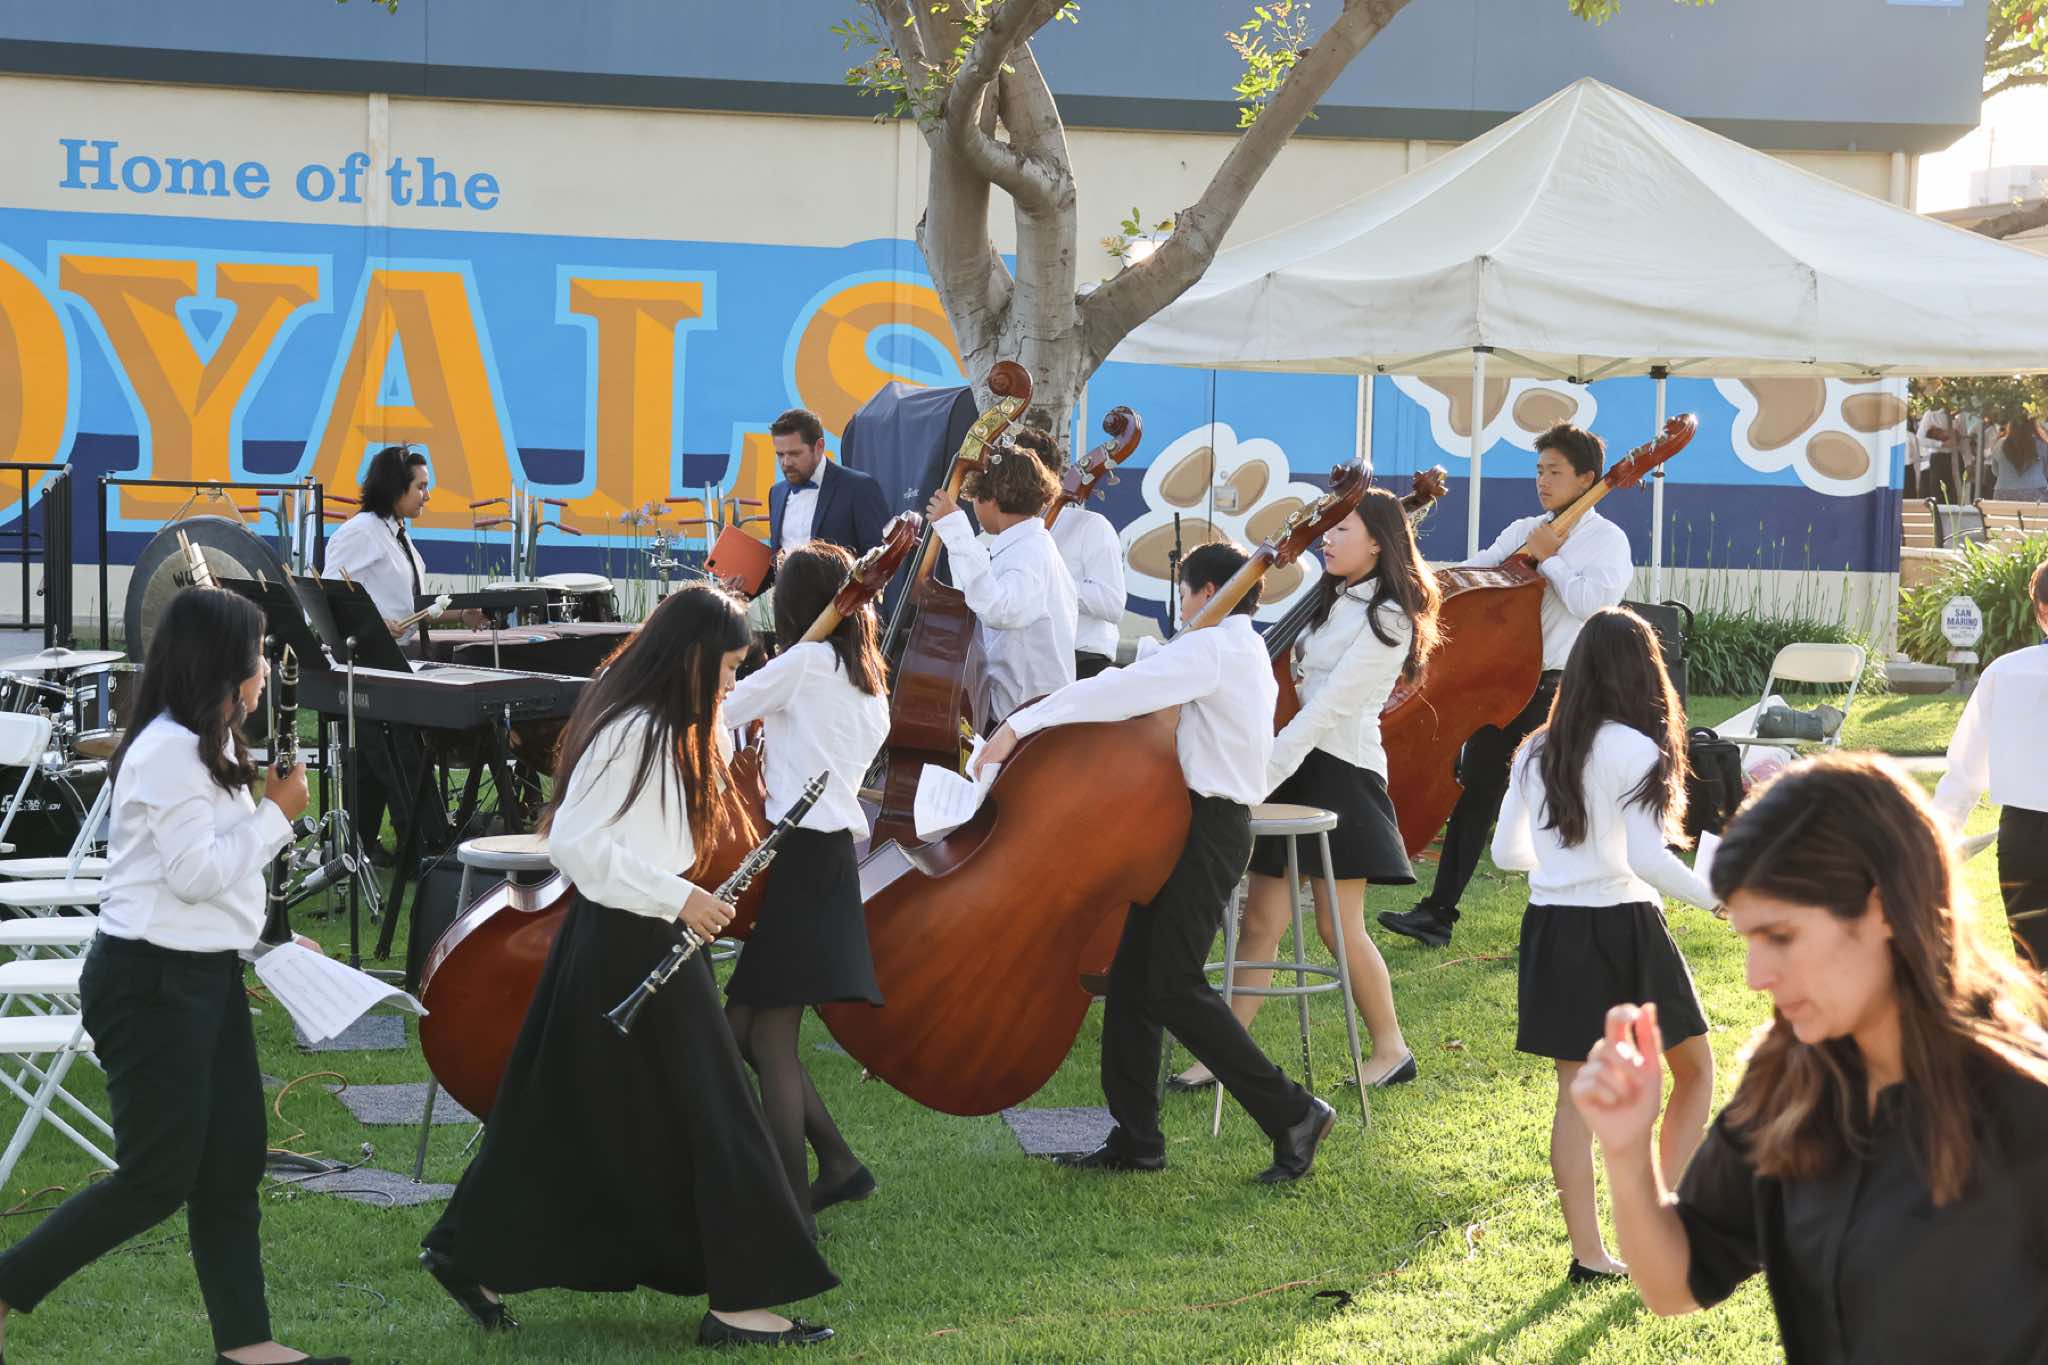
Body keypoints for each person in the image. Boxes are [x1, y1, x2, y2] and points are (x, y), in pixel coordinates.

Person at [419, 584, 837, 1349]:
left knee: (565, 1110)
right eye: (729, 668)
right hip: (628, 938)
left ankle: (462, 1251)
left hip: (638, 936)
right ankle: (742, 1304)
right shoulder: (637, 729)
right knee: (718, 1110)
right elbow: (576, 843)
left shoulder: (676, 723)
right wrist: (681, 896)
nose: (735, 682)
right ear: (693, 661)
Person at [1571, 754, 2048, 1363]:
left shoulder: (2025, 1107)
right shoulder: (1789, 1081)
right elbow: (1676, 1284)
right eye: (1749, 939)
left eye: (1781, 936)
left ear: (1882, 907)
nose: (1755, 976)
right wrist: (1627, 1151)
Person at [0, 588, 346, 1365]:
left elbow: (215, 885)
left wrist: (269, 943)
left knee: (231, 1164)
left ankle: (247, 1343)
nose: (266, 669)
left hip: (201, 973)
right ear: (223, 664)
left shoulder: (208, 744)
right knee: (157, 1177)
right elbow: (194, 875)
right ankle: (7, 1284)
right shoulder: (168, 751)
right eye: (258, 652)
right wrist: (279, 813)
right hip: (149, 984)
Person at [976, 543, 1337, 1183]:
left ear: (1206, 593)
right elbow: (1153, 675)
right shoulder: (1237, 645)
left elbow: (1122, 688)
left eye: (1184, 593)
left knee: (1170, 984)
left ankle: (1294, 1113)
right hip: (1189, 827)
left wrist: (1018, 727)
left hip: (1206, 831)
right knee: (1133, 981)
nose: (1182, 606)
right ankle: (1136, 1138)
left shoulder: (1213, 648)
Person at [1172, 488, 1440, 1095]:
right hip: (1297, 765)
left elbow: (1326, 710)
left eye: (1342, 529)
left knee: (1336, 926)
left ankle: (1391, 1049)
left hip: (1342, 772)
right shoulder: (1332, 601)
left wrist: (1257, 776)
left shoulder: (1389, 617)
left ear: (1378, 542)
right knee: (1260, 922)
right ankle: (1221, 1056)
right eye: (1329, 528)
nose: (1328, 538)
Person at [1494, 607, 1719, 1284]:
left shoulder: (1535, 749)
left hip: (1552, 926)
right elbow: (1649, 860)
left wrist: (1565, 864)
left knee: (1576, 1096)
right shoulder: (1637, 750)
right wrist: (1716, 898)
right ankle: (1660, 1221)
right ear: (1646, 674)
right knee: (1696, 1070)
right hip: (1625, 924)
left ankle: (1590, 1256)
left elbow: (1506, 853)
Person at [1380, 423, 1633, 948]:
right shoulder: (1523, 528)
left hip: (1564, 688)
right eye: (1539, 471)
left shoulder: (1607, 540)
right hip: (1504, 685)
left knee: (1558, 802)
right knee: (1477, 790)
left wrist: (1551, 558)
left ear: (1587, 478)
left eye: (1555, 472)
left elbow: (1592, 604)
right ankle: (1438, 914)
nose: (1542, 481)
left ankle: (1565, 924)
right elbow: (1474, 574)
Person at [720, 543, 889, 1227]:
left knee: (767, 1037)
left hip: (803, 858)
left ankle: (790, 1214)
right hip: (822, 859)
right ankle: (840, 1167)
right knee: (741, 1027)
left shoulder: (804, 665)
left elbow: (723, 710)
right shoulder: (866, 673)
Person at [321, 444, 473, 862]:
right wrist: (372, 624)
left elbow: (411, 607)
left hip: (393, 662)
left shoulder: (397, 534)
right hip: (367, 665)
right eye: (420, 486)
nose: (427, 495)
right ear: (395, 488)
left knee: (376, 762)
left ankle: (363, 845)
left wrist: (463, 613)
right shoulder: (361, 533)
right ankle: (421, 845)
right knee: (399, 754)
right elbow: (330, 597)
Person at [1932, 558, 2048, 970]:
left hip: (2024, 836)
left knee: (2033, 967)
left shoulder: (2005, 672)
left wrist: (1937, 841)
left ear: (2041, 609)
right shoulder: (2004, 672)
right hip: (2023, 830)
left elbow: (1964, 772)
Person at [927, 446, 1077, 728]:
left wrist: (956, 529)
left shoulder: (1029, 552)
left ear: (991, 499)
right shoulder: (1029, 547)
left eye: (974, 497)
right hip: (1025, 715)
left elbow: (999, 609)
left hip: (1028, 720)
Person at [1014, 426, 1127, 678]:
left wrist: (1055, 584)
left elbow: (1112, 603)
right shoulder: (1002, 531)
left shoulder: (1090, 526)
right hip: (1023, 662)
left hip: (1081, 660)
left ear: (1049, 477)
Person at [767, 408, 891, 561]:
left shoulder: (859, 487)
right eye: (780, 455)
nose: (786, 462)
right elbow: (775, 559)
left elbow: (882, 559)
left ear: (819, 446)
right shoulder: (776, 493)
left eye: (795, 454)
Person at [1989, 411, 2048, 503]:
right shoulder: (2041, 444)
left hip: (2003, 494)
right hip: (2036, 494)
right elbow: (2046, 472)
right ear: (2033, 425)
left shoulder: (2000, 444)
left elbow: (1995, 471)